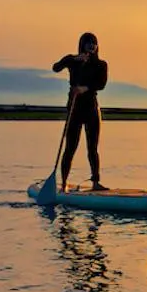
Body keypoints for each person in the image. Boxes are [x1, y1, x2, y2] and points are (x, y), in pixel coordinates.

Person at [52, 32, 108, 190]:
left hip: (91, 107)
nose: (91, 45)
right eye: (88, 42)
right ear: (82, 44)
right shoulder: (73, 61)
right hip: (75, 108)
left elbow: (101, 84)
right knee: (70, 147)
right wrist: (72, 60)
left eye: (94, 43)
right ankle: (63, 183)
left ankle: (96, 182)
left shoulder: (101, 64)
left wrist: (85, 88)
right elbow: (55, 68)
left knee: (92, 148)